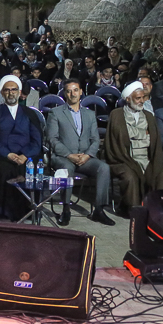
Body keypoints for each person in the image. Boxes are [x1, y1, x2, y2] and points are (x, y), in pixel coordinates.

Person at [46, 79, 115, 226]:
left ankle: (99, 210)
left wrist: (88, 155)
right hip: (63, 157)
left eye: (75, 90)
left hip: (85, 157)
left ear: (81, 92)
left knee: (103, 167)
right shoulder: (55, 113)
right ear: (65, 94)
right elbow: (52, 139)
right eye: (69, 91)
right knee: (67, 168)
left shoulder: (89, 114)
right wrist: (69, 155)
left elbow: (95, 139)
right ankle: (65, 209)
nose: (73, 94)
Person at [105, 81, 163, 217]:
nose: (141, 101)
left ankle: (161, 210)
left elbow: (154, 142)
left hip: (147, 158)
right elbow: (116, 142)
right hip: (124, 158)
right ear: (128, 99)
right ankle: (133, 210)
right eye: (138, 98)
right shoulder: (117, 115)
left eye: (143, 97)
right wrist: (143, 135)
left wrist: (135, 136)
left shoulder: (149, 116)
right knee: (130, 176)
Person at [0, 75, 42, 220]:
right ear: (2, 93)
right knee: (5, 171)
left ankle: (30, 209)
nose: (10, 93)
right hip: (3, 157)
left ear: (19, 92)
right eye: (7, 90)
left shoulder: (30, 113)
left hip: (26, 157)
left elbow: (37, 140)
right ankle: (5, 211)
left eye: (14, 90)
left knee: (29, 170)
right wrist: (7, 154)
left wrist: (25, 155)